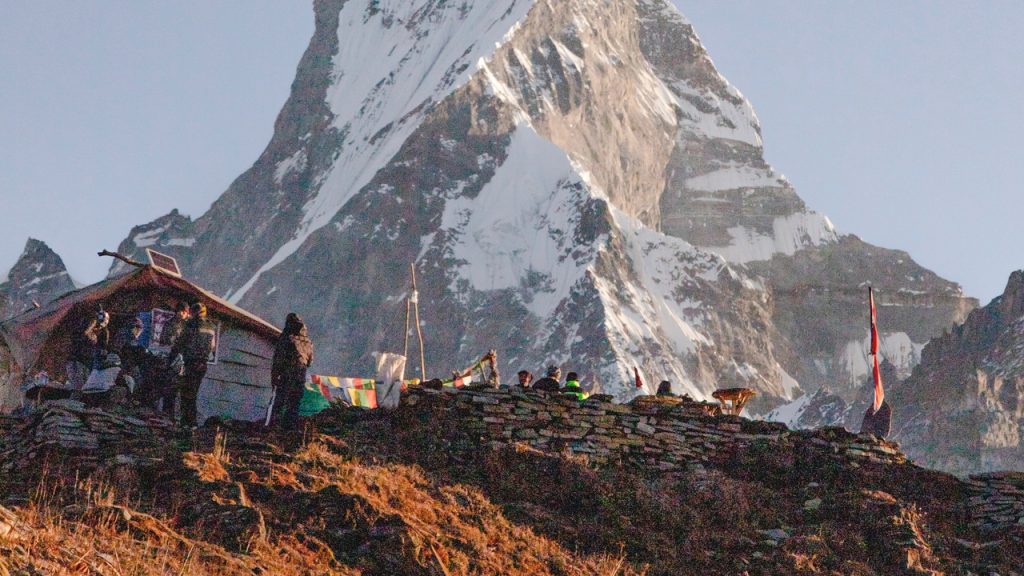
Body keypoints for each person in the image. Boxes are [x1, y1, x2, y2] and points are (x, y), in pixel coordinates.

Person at [170, 301, 217, 428]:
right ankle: (190, 423)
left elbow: (180, 343)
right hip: (203, 364)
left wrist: (170, 360)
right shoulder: (211, 327)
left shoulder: (191, 324)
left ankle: (189, 423)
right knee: (193, 392)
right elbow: (212, 346)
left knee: (186, 393)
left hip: (191, 362)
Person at [270, 313, 314, 430]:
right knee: (295, 402)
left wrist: (274, 377)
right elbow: (310, 362)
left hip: (287, 374)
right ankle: (290, 427)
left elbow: (278, 359)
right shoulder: (307, 341)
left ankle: (275, 427)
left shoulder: (286, 338)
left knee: (281, 400)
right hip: (301, 375)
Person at [68, 307, 110, 391]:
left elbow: (103, 351)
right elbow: (81, 335)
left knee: (84, 389)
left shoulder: (101, 334)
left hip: (86, 363)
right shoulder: (85, 329)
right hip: (76, 361)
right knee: (78, 389)